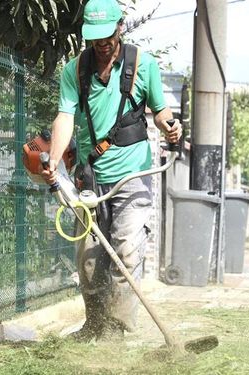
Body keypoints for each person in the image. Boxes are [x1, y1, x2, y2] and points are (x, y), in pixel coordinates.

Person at [41, 0, 181, 342]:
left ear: (120, 27)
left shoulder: (143, 65)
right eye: (95, 38)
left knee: (126, 252)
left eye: (107, 36)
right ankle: (94, 324)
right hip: (90, 179)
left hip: (133, 177)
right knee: (89, 262)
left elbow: (160, 112)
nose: (102, 44)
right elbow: (65, 117)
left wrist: (170, 128)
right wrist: (55, 160)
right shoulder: (75, 71)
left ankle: (114, 333)